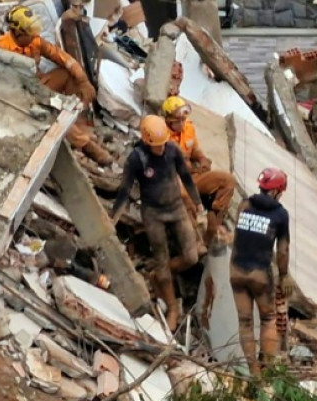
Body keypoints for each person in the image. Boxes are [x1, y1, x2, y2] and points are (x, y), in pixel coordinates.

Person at [110, 116, 205, 332]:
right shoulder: (137, 159)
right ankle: (172, 307)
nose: (160, 149)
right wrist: (114, 215)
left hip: (177, 209)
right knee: (160, 257)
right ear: (146, 141)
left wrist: (197, 202)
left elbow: (186, 178)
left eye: (162, 144)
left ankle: (160, 275)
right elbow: (125, 189)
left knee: (191, 255)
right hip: (153, 214)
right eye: (156, 146)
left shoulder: (172, 151)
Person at [0, 6, 113, 166]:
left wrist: (83, 80)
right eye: (30, 33)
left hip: (37, 84)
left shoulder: (35, 42)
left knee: (68, 74)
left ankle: (79, 123)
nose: (35, 36)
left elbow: (64, 58)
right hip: (18, 95)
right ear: (17, 32)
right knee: (54, 114)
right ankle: (86, 145)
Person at [230, 168, 293, 376]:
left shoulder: (244, 205)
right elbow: (282, 251)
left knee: (245, 322)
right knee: (268, 319)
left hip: (236, 271)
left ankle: (253, 372)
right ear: (276, 192)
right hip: (260, 274)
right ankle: (267, 370)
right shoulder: (280, 214)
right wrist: (284, 276)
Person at [161, 96, 235, 249]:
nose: (181, 123)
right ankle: (195, 237)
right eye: (177, 120)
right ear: (168, 120)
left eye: (183, 119)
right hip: (173, 178)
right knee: (183, 195)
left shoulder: (188, 128)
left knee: (227, 180)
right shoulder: (162, 136)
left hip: (193, 176)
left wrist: (202, 159)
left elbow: (195, 150)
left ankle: (214, 225)